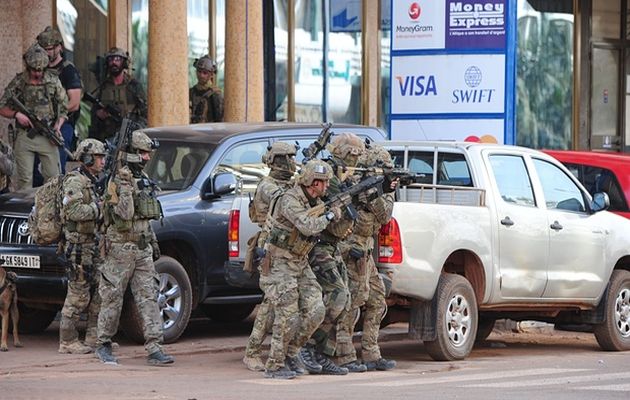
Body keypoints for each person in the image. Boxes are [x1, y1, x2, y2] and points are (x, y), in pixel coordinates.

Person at [95, 130, 173, 366]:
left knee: (149, 297)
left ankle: (154, 346)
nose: (147, 158)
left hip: (141, 248)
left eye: (148, 153)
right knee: (112, 298)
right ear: (131, 153)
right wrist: (126, 185)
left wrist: (153, 243)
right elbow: (125, 213)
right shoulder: (117, 180)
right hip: (119, 248)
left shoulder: (142, 179)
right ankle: (104, 344)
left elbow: (144, 219)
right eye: (142, 153)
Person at [259, 160, 337, 379]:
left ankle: (292, 352)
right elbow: (306, 225)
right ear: (313, 182)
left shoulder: (315, 200)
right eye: (324, 182)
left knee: (316, 309)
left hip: (299, 262)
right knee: (288, 314)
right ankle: (274, 364)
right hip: (279, 263)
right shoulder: (290, 199)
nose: (327, 186)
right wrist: (329, 216)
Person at [299, 132, 365, 375]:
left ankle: (323, 353)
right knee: (336, 297)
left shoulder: (340, 175)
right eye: (354, 155)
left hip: (333, 245)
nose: (356, 160)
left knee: (345, 300)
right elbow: (331, 203)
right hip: (318, 244)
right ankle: (306, 344)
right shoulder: (327, 174)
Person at [335, 144, 397, 371]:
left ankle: (371, 353)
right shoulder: (351, 183)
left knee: (377, 299)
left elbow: (385, 215)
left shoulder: (381, 189)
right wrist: (362, 193)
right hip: (350, 251)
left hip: (366, 252)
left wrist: (375, 194)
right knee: (353, 301)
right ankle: (345, 355)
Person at [243, 142, 298, 372]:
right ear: (278, 160)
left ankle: (256, 351)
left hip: (288, 250)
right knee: (272, 305)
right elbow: (286, 203)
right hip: (272, 250)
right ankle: (253, 352)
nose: (293, 163)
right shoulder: (268, 186)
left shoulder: (288, 184)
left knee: (271, 305)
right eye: (289, 158)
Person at [58, 139, 106, 354]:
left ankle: (93, 336)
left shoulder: (93, 180)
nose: (102, 161)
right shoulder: (75, 182)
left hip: (93, 244)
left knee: (99, 291)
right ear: (87, 158)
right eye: (98, 157)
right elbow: (73, 212)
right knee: (78, 293)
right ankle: (67, 340)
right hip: (78, 247)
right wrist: (98, 208)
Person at [0, 43, 67, 190]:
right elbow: (2, 107)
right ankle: (25, 212)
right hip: (25, 136)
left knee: (54, 179)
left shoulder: (53, 81)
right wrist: (16, 114)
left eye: (40, 70)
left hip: (48, 134)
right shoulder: (19, 82)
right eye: (33, 70)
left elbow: (64, 107)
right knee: (24, 180)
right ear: (27, 66)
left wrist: (58, 126)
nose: (37, 73)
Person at [37, 26, 83, 173]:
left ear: (59, 47)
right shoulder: (38, 68)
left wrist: (55, 116)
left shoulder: (68, 70)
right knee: (34, 172)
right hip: (39, 125)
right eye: (43, 48)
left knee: (56, 169)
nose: (46, 52)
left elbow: (74, 103)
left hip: (61, 126)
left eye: (50, 48)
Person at [88, 47, 147, 141]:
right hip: (107, 136)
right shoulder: (103, 86)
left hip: (129, 136)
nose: (114, 62)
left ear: (124, 62)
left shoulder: (133, 85)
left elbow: (145, 113)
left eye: (117, 59)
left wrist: (136, 129)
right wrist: (99, 114)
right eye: (111, 59)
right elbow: (94, 112)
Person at [189, 55, 223, 123]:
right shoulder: (191, 91)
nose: (201, 75)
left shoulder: (215, 93)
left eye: (205, 73)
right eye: (199, 71)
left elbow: (219, 120)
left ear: (211, 75)